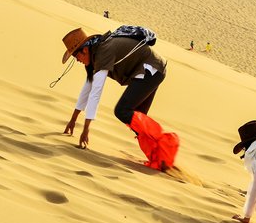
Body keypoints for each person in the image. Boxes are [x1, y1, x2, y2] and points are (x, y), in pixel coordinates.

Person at [60, 27, 179, 170]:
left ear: (84, 50)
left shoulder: (102, 52)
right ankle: (162, 160)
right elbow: (87, 89)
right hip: (148, 70)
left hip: (151, 69)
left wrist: (86, 129)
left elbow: (96, 93)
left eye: (75, 56)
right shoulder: (93, 58)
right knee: (136, 121)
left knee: (123, 111)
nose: (77, 60)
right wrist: (73, 120)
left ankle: (167, 146)